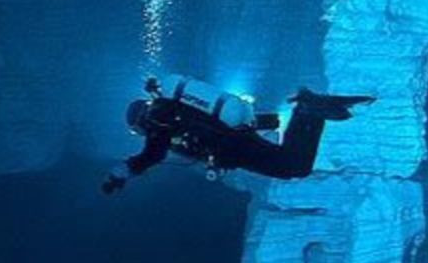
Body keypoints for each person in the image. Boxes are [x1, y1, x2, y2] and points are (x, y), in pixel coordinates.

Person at [101, 74, 374, 192]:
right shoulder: (171, 109)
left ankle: (308, 109)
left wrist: (120, 174)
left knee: (294, 165)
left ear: (140, 121)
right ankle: (310, 110)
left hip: (231, 148)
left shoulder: (158, 121)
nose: (143, 134)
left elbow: (152, 154)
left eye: (138, 131)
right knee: (292, 163)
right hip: (234, 139)